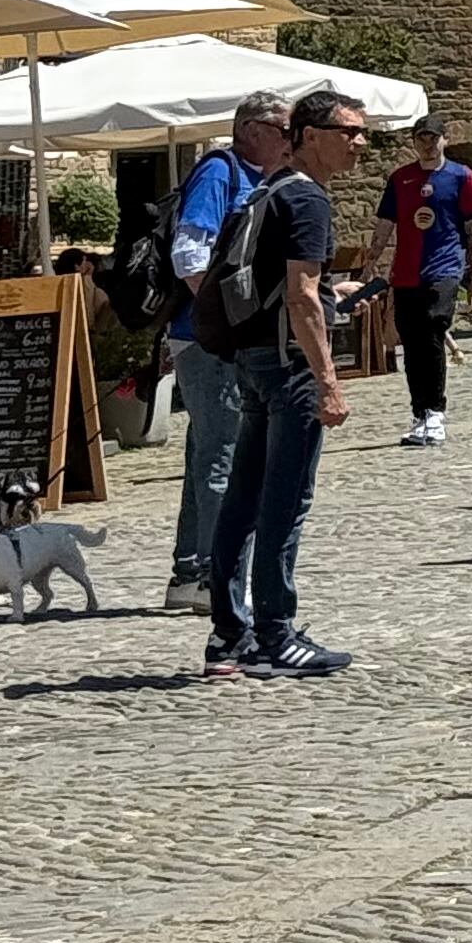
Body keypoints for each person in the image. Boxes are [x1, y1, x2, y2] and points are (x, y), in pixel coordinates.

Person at [206, 86, 372, 680]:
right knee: (284, 499)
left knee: (244, 497)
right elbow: (300, 296)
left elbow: (296, 288)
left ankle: (229, 634)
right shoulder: (308, 200)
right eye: (347, 131)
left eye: (362, 132)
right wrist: (328, 381)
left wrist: (331, 294)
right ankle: (276, 632)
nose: (359, 143)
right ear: (308, 135)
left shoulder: (268, 190)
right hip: (289, 367)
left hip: (253, 358)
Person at [162, 86, 289, 618]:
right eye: (284, 130)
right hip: (207, 338)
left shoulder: (259, 178)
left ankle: (190, 572)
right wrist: (225, 318)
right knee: (225, 455)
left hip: (211, 336)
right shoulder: (221, 172)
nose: (291, 139)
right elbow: (188, 251)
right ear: (251, 131)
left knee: (207, 450)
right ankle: (220, 576)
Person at [376, 117, 472, 449]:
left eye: (433, 137)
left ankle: (436, 410)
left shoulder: (461, 177)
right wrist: (370, 262)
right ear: (413, 142)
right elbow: (384, 224)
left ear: (444, 140)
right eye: (421, 137)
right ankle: (419, 411)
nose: (427, 143)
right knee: (412, 342)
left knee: (434, 329)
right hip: (406, 271)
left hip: (444, 268)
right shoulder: (400, 179)